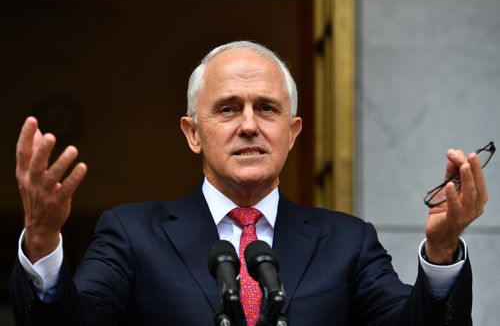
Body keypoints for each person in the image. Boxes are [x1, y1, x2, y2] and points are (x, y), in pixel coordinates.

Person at [11, 41, 487, 326]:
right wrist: (41, 240)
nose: (248, 125)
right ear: (192, 134)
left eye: (266, 107)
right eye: (227, 108)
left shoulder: (347, 241)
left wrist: (443, 251)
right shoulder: (132, 234)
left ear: (292, 132)